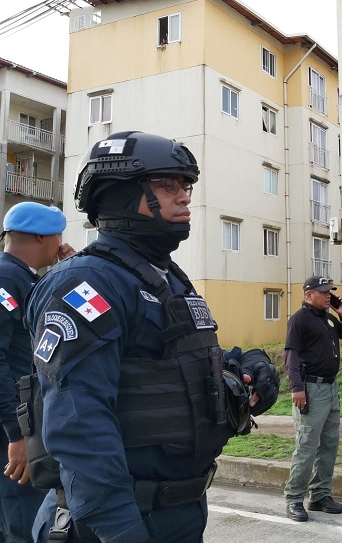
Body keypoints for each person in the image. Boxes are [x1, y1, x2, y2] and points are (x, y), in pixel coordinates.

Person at [24, 131, 280, 542]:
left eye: (185, 187)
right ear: (121, 194)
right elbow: (79, 423)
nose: (184, 197)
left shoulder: (165, 279)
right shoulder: (87, 284)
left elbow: (174, 362)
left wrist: (243, 366)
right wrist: (122, 531)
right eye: (167, 186)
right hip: (110, 523)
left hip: (177, 513)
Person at [0, 202, 74, 542]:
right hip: (14, 429)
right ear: (45, 237)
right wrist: (16, 436)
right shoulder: (8, 278)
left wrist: (71, 267)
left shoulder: (21, 277)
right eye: (58, 235)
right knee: (23, 523)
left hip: (21, 421)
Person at [284, 276, 342, 522]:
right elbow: (291, 357)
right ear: (308, 295)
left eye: (329, 292)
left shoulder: (328, 319)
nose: (328, 296)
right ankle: (294, 498)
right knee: (306, 446)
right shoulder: (299, 320)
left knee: (329, 444)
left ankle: (320, 495)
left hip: (331, 389)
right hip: (310, 389)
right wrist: (297, 388)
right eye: (323, 292)